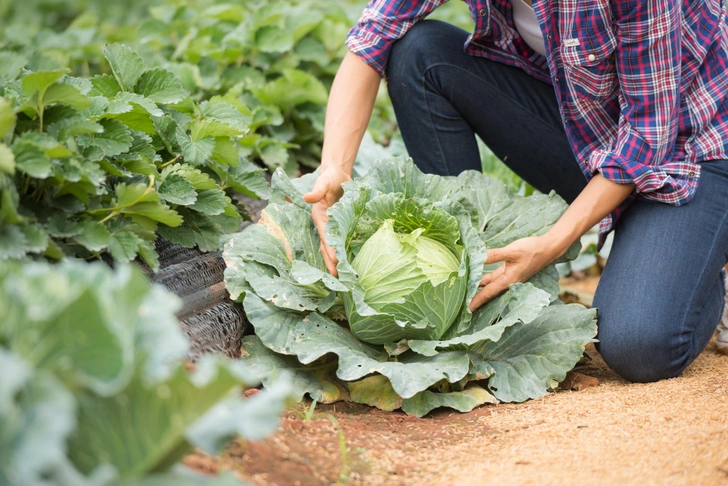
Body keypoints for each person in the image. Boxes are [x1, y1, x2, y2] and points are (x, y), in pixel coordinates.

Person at [303, 0, 728, 381]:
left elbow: (645, 137)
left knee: (640, 347)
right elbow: (374, 35)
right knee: (419, 53)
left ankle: (704, 256)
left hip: (691, 149)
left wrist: (550, 243)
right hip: (592, 131)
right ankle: (470, 284)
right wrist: (334, 169)